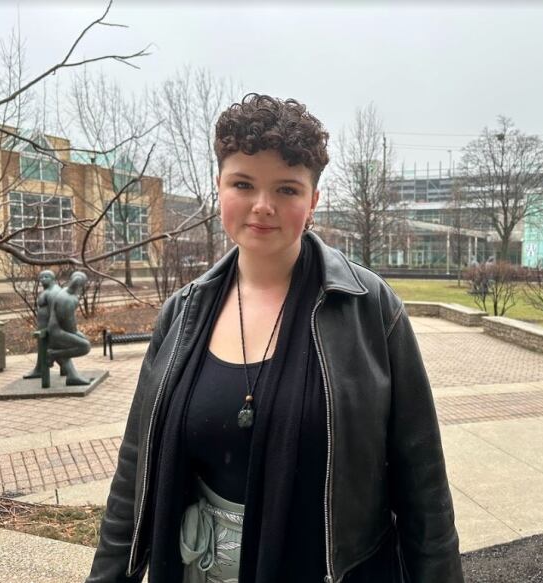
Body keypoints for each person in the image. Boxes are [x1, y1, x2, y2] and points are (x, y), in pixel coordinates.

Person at [86, 94, 464, 583]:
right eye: (243, 183)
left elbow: (423, 481)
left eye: (287, 189)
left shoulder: (369, 308)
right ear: (218, 187)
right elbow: (134, 467)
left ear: (313, 201)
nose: (263, 206)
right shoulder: (181, 314)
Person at [46, 270, 92, 385]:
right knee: (85, 346)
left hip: (59, 330)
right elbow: (69, 327)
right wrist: (78, 335)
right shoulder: (68, 299)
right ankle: (52, 354)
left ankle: (72, 377)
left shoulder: (66, 292)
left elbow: (71, 326)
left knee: (82, 340)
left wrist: (78, 334)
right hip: (56, 332)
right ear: (81, 285)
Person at [23, 269, 61, 379]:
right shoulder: (48, 290)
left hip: (48, 326)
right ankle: (41, 368)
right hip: (43, 325)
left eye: (46, 277)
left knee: (45, 348)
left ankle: (40, 369)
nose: (42, 279)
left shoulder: (53, 292)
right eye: (41, 277)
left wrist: (51, 326)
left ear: (53, 279)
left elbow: (54, 311)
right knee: (44, 348)